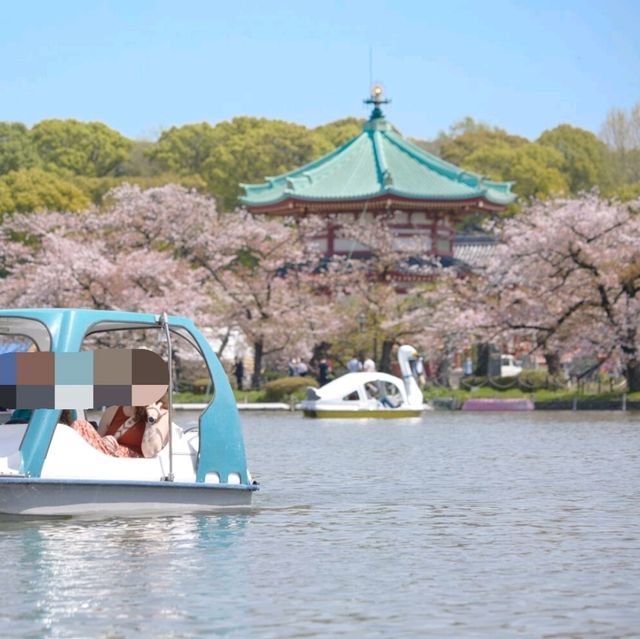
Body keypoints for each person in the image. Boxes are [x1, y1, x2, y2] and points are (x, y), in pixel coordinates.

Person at [70, 394, 169, 458]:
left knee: (81, 425)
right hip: (106, 461)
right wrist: (104, 441)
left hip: (133, 467)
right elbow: (96, 445)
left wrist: (151, 419)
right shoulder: (112, 411)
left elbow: (150, 452)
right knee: (80, 425)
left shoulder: (162, 415)